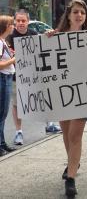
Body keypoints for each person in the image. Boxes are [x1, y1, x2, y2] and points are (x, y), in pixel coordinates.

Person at [47, 0, 87, 197]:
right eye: (75, 12)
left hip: (83, 92)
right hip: (61, 92)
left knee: (75, 135)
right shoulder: (56, 37)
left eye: (82, 13)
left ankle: (71, 178)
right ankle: (72, 163)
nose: (79, 15)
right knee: (66, 134)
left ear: (85, 17)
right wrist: (46, 39)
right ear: (68, 15)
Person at [6, 9, 61, 146]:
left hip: (34, 75)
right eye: (18, 20)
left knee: (43, 97)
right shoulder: (9, 37)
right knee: (17, 105)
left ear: (28, 21)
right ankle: (19, 132)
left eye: (23, 20)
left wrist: (49, 35)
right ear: (14, 21)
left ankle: (49, 124)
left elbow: (44, 48)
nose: (20, 23)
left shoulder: (34, 34)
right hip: (15, 77)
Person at [0, 15, 16, 156]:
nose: (13, 26)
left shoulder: (3, 41)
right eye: (11, 24)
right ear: (5, 27)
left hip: (6, 78)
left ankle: (2, 143)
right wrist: (14, 60)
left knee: (3, 114)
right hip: (3, 78)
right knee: (2, 113)